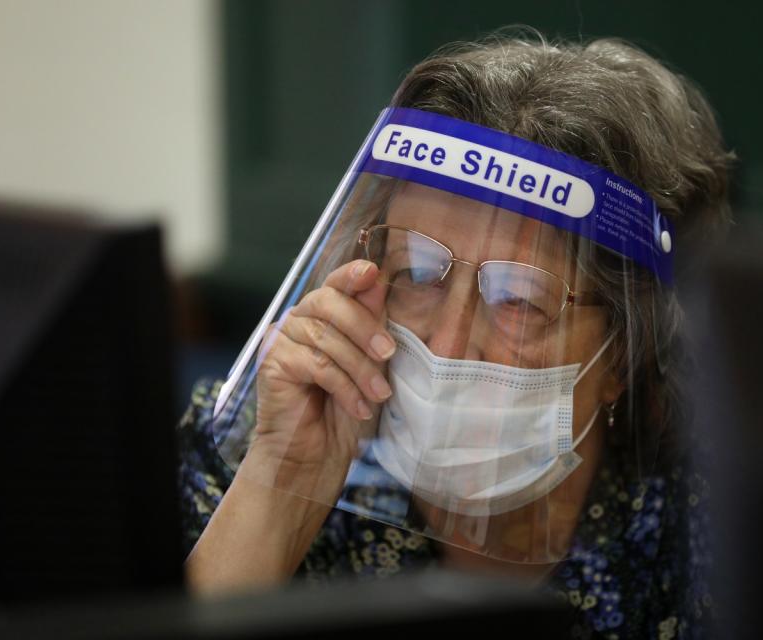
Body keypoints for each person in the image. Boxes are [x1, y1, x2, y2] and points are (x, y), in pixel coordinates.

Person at [178, 30, 733, 639]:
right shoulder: (259, 438)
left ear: (624, 352)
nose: (447, 344)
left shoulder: (718, 533)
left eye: (520, 300)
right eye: (416, 273)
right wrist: (282, 487)